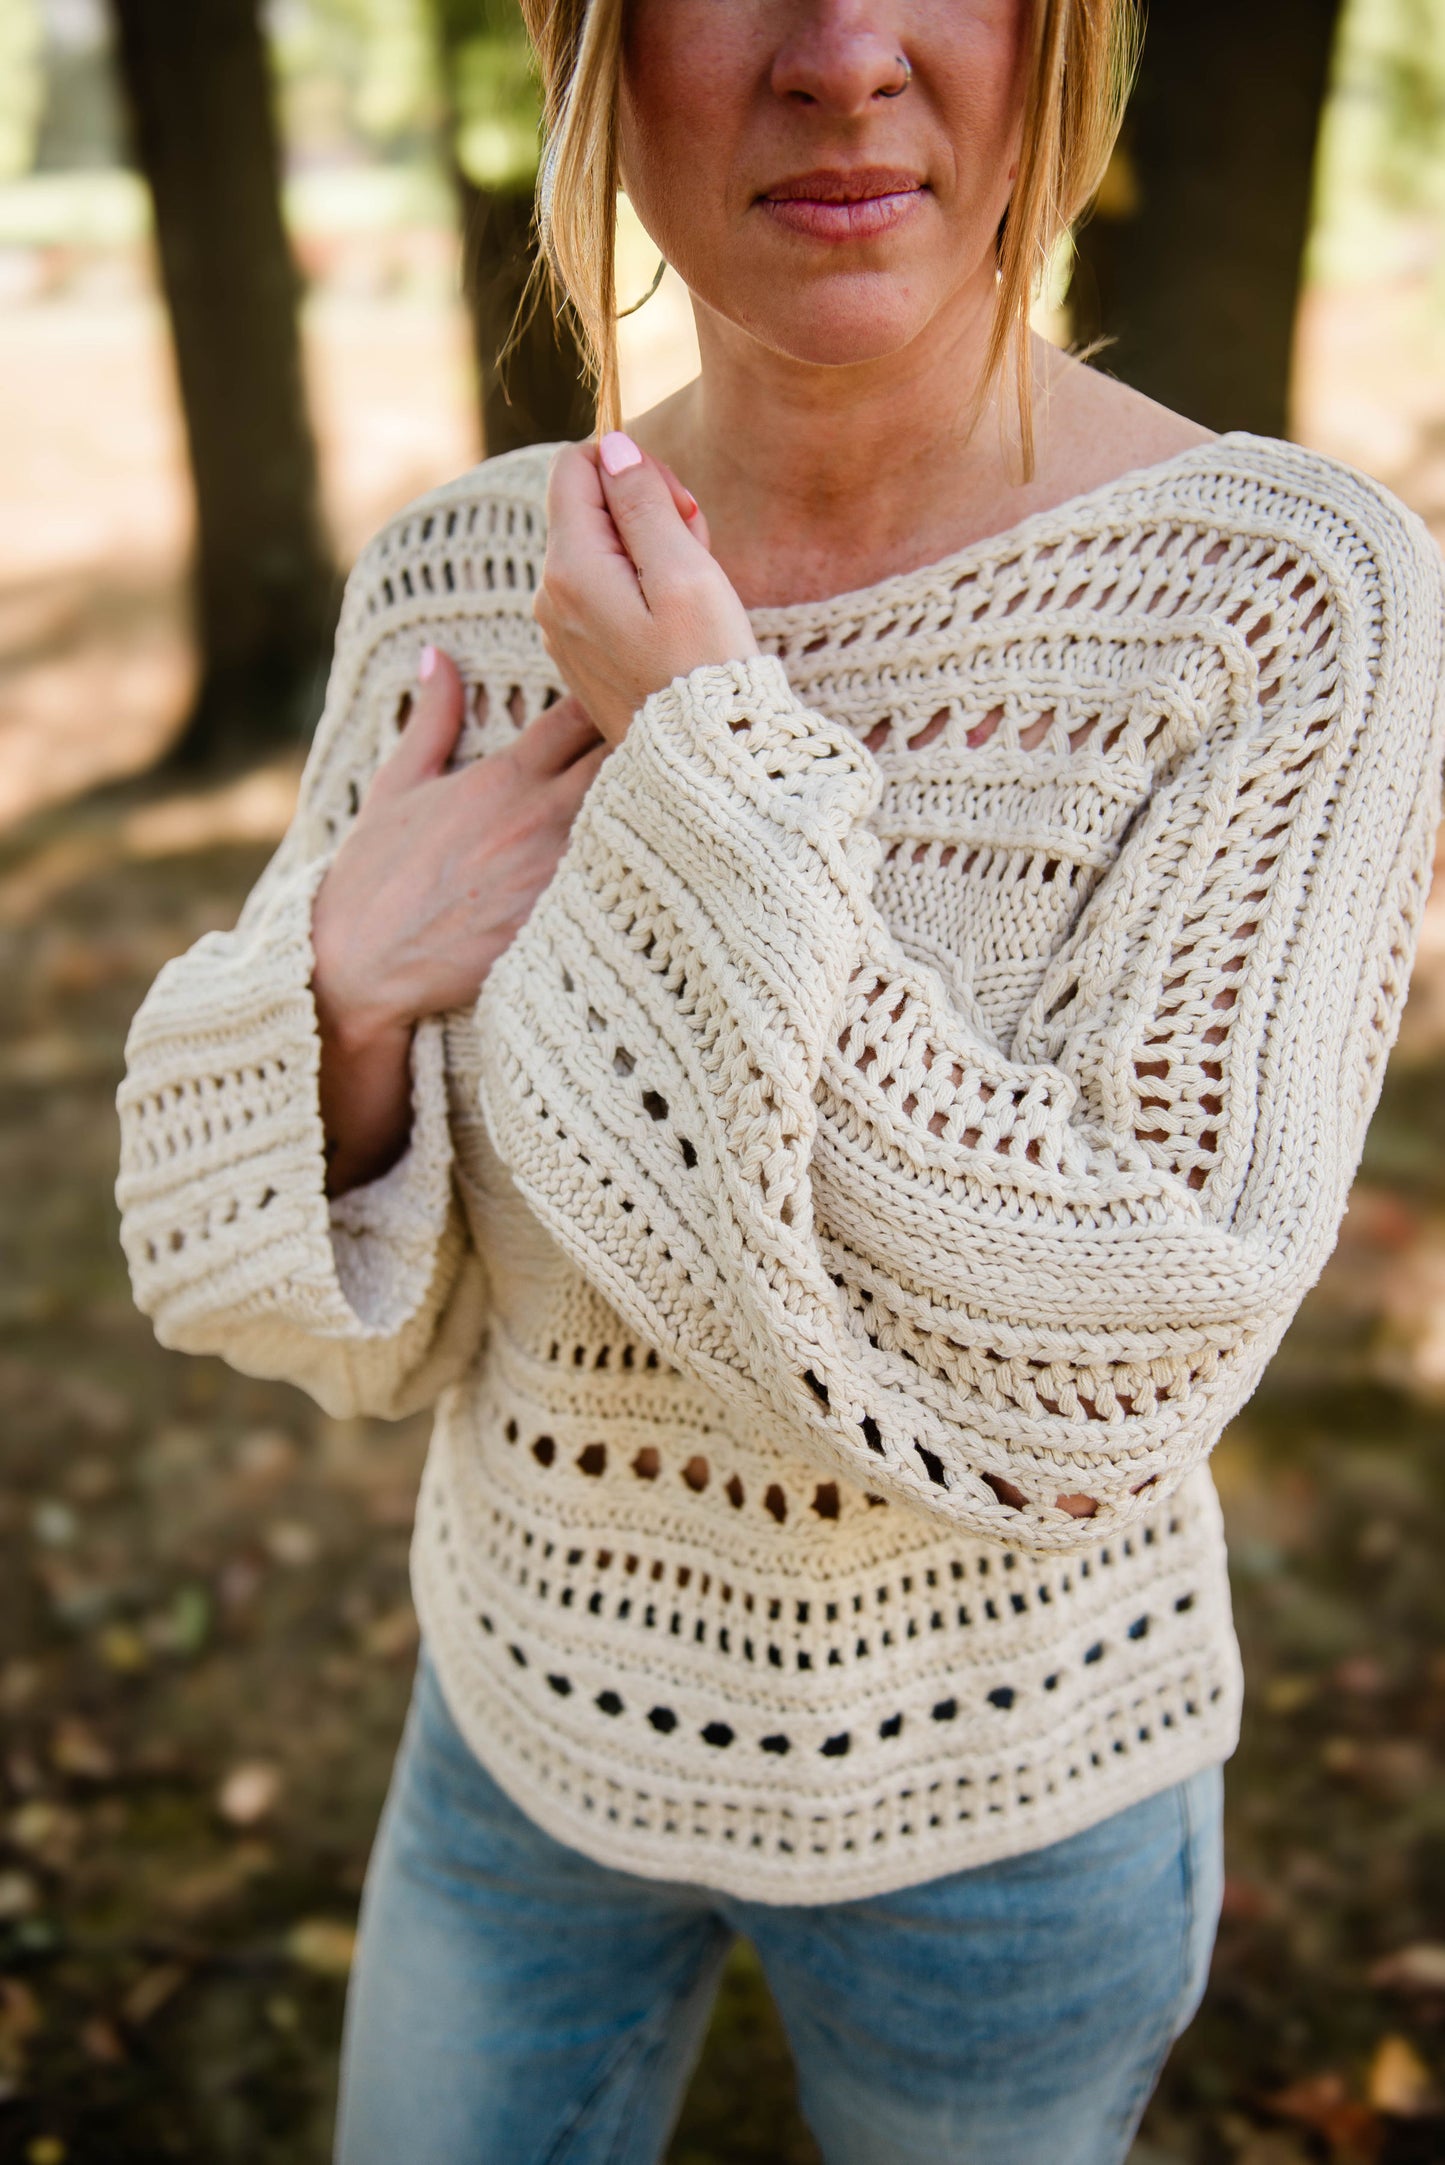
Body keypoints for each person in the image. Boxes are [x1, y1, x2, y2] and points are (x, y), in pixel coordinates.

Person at [115, 2, 1445, 2160]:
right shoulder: (458, 585)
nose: (845, 55)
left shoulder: (1287, 598)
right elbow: (340, 1319)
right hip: (523, 1734)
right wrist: (347, 1004)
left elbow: (1114, 1348)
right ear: (594, 51)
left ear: (1054, 41)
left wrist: (709, 755)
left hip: (1005, 1807)